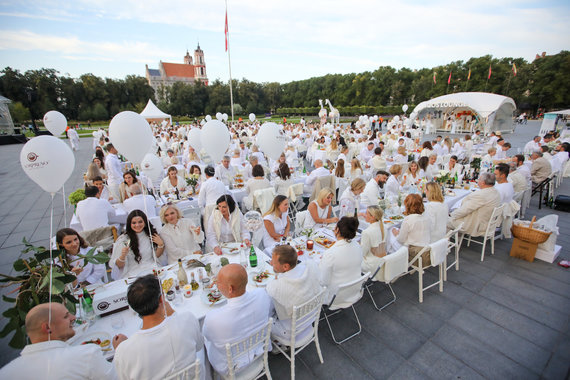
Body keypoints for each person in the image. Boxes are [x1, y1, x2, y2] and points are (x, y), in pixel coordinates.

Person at [113, 275, 205, 380]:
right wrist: (174, 315)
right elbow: (199, 346)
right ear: (162, 299)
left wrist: (119, 349)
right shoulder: (187, 319)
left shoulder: (124, 351)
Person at [0, 303, 120, 379]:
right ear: (47, 328)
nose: (73, 318)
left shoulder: (5, 373)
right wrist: (120, 350)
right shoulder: (87, 354)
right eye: (66, 316)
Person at [202, 264, 272, 376]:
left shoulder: (213, 318)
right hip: (259, 351)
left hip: (233, 368)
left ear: (230, 289)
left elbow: (208, 337)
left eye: (218, 282)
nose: (216, 284)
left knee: (205, 342)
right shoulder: (262, 295)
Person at [266, 245, 321, 341]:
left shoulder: (276, 286)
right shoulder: (311, 265)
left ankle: (272, 345)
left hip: (290, 330)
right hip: (311, 318)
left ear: (286, 266)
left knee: (263, 314)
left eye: (273, 262)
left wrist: (277, 277)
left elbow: (268, 302)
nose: (270, 263)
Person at [319, 217, 363, 304]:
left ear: (337, 230)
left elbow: (323, 281)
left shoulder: (331, 253)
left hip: (335, 296)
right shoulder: (358, 246)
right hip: (354, 289)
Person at [110, 210, 165, 279]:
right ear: (130, 224)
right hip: (133, 273)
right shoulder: (124, 240)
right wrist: (122, 256)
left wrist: (160, 245)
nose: (137, 225)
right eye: (134, 223)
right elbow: (118, 266)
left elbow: (156, 256)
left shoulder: (151, 234)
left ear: (145, 222)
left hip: (151, 268)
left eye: (140, 222)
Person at [448, 172, 502, 237]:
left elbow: (465, 210)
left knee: (443, 219)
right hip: (486, 223)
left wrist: (451, 215)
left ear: (483, 182)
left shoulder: (481, 195)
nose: (477, 181)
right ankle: (456, 237)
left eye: (479, 179)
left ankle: (445, 243)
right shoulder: (496, 192)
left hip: (475, 225)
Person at [392, 194, 431, 264]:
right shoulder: (427, 216)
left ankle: (393, 264)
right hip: (427, 251)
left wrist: (396, 234)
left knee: (391, 236)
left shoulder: (408, 219)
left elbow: (400, 240)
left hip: (416, 253)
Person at [360, 206, 387, 281]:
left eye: (366, 213)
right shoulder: (384, 227)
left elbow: (362, 253)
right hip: (381, 262)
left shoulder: (367, 232)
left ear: (372, 217)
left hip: (371, 265)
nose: (364, 215)